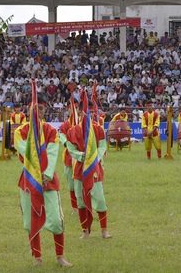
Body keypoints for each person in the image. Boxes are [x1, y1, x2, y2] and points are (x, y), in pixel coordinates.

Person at [14, 95, 72, 267]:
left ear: (45, 109)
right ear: (28, 108)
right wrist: (38, 175)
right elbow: (26, 153)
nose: (38, 111)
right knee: (31, 221)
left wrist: (46, 174)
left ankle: (60, 257)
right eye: (35, 107)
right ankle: (37, 258)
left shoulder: (51, 131)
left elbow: (53, 153)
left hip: (48, 180)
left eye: (41, 108)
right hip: (30, 179)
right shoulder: (20, 132)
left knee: (56, 220)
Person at [66, 100, 112, 240]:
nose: (90, 115)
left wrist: (93, 158)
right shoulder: (72, 131)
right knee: (81, 200)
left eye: (92, 112)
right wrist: (82, 156)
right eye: (87, 112)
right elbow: (71, 149)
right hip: (79, 170)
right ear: (80, 112)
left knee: (99, 198)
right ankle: (85, 231)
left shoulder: (98, 129)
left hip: (94, 168)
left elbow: (103, 147)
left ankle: (104, 230)